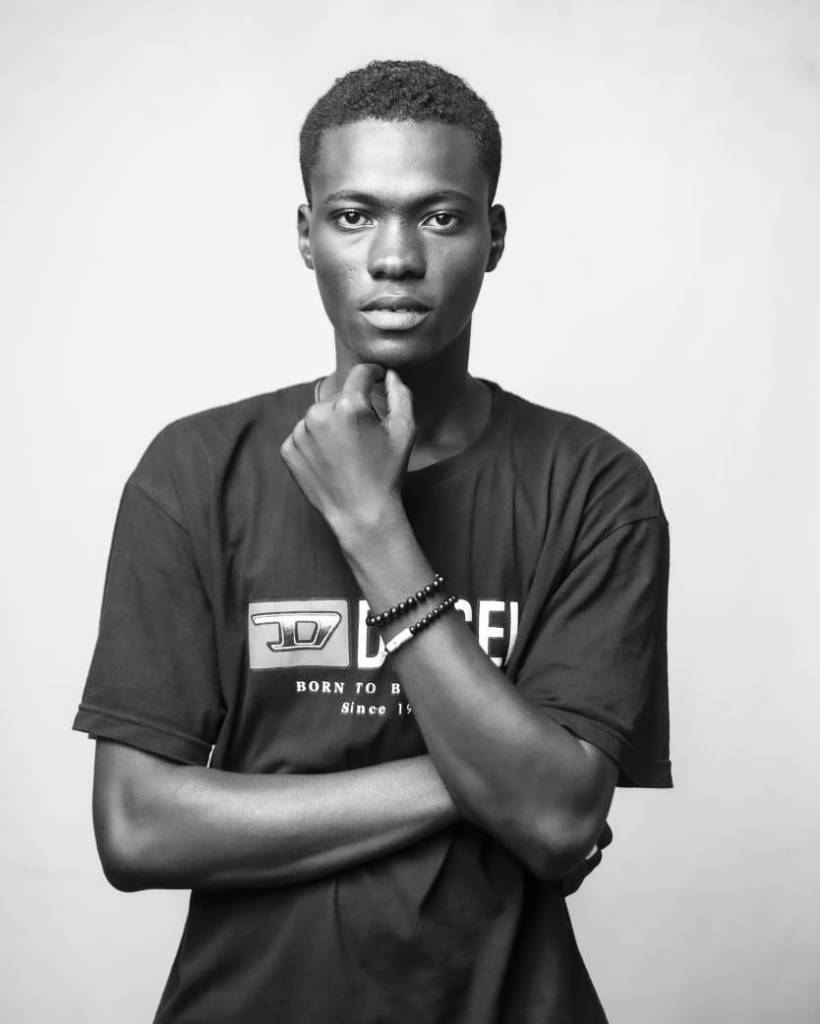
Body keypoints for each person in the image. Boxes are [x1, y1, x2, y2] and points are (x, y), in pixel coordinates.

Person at [74, 59, 671, 1024]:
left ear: (494, 236)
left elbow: (557, 821)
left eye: (440, 216)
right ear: (305, 234)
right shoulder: (194, 471)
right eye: (353, 216)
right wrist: (491, 778)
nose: (395, 258)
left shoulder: (593, 486)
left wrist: (370, 523)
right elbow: (138, 830)